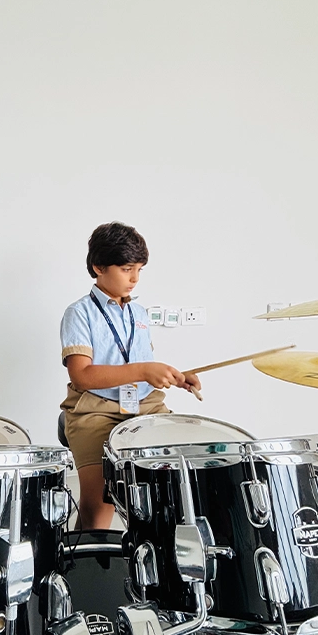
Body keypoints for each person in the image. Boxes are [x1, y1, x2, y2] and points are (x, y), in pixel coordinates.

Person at [60, 222, 201, 530]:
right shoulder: (79, 313)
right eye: (126, 269)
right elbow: (82, 376)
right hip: (95, 409)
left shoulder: (139, 313)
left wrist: (175, 377)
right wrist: (143, 370)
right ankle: (89, 557)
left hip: (146, 404)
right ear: (98, 267)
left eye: (139, 269)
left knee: (178, 485)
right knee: (100, 505)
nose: (135, 278)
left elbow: (140, 365)